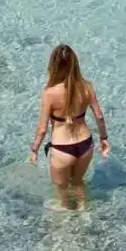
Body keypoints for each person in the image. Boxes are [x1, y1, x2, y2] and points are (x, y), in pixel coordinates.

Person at [32, 44, 108, 208]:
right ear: (75, 63)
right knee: (79, 182)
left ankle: (68, 229)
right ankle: (85, 213)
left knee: (62, 191)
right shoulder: (87, 87)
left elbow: (42, 128)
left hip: (61, 148)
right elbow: (99, 117)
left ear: (54, 66)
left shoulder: (49, 93)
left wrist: (34, 150)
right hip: (85, 145)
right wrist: (104, 139)